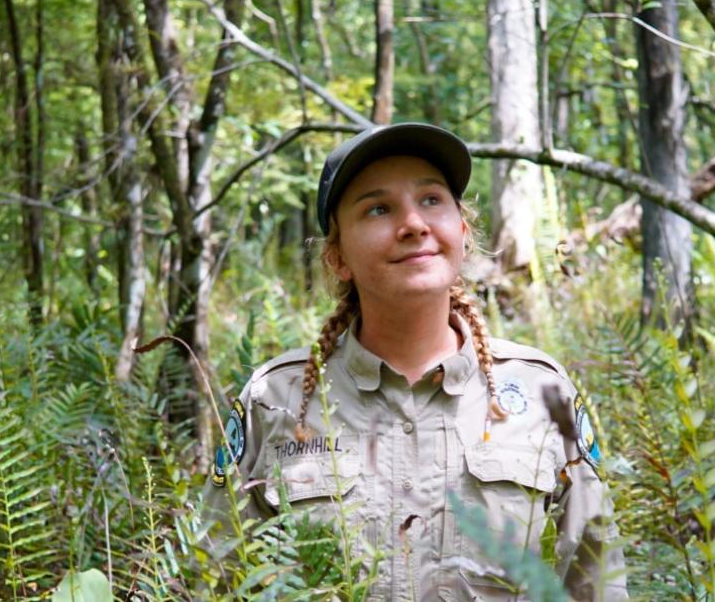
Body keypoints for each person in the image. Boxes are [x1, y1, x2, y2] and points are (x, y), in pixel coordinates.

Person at [201, 122, 628, 601]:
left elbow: (595, 581)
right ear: (337, 257)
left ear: (462, 232)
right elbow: (222, 578)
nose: (414, 224)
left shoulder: (539, 392)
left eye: (431, 200)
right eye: (378, 208)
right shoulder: (276, 401)